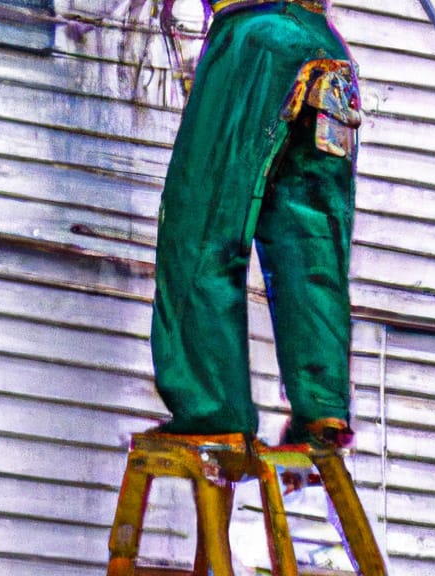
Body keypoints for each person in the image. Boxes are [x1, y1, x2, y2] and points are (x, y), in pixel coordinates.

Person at [150, 0, 360, 447]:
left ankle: (211, 407)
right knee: (310, 237)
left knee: (204, 220)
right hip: (323, 46)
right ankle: (322, 407)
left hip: (254, 37)